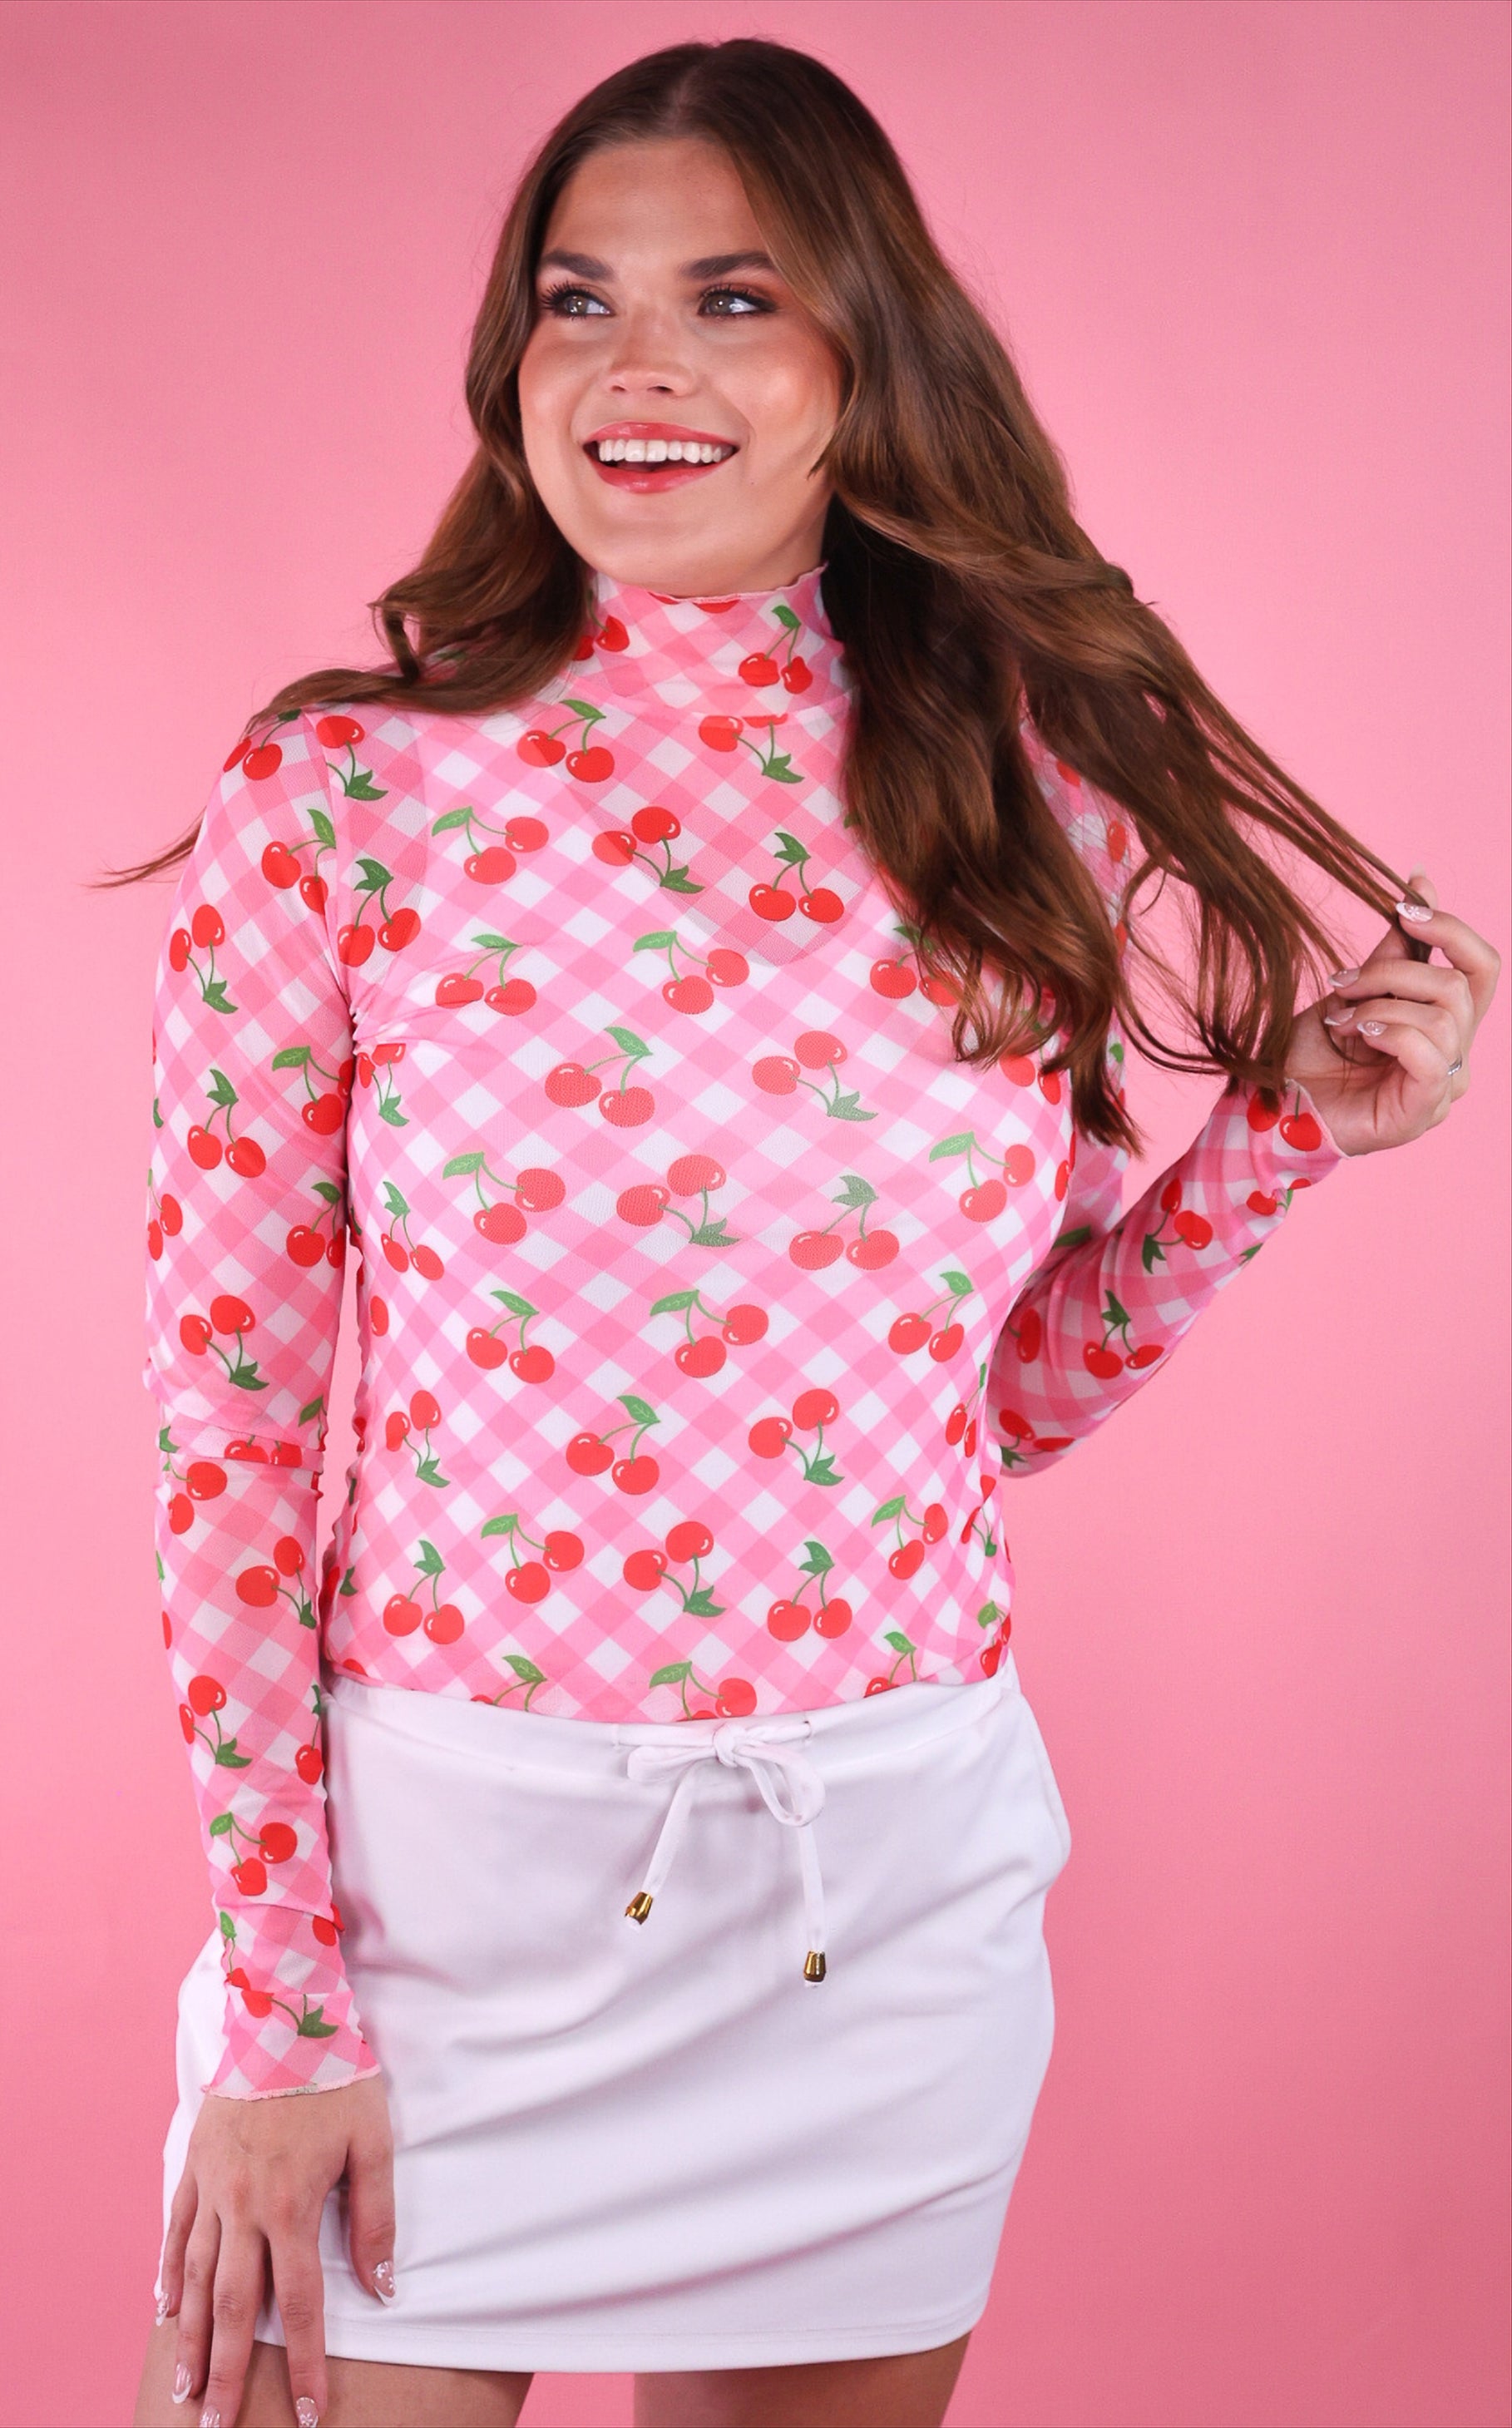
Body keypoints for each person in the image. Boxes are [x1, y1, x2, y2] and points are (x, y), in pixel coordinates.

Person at [117, 38, 1498, 2428]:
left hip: (880, 1894)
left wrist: (1278, 1138)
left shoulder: (1017, 800)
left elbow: (998, 1402)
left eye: (731, 299)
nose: (634, 367)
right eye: (578, 301)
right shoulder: (344, 794)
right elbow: (229, 1429)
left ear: (871, 358)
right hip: (437, 1901)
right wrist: (280, 1998)